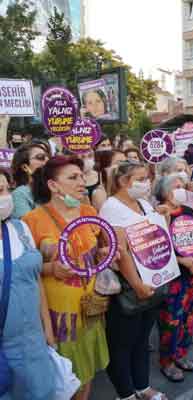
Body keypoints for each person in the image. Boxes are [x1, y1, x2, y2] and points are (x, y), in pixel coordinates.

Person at [23, 156, 110, 400]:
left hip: (92, 310)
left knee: (87, 373)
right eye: (73, 177)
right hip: (58, 319)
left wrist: (103, 253)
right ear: (53, 185)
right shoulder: (31, 221)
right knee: (64, 381)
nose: (82, 182)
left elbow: (103, 246)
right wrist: (52, 269)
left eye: (82, 176)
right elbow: (22, 270)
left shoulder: (89, 211)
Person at [99, 161, 168, 400]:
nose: (146, 183)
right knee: (122, 343)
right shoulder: (112, 207)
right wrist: (137, 285)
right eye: (140, 179)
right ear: (122, 181)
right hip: (130, 285)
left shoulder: (145, 203)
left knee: (142, 339)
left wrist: (164, 217)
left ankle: (142, 386)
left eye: (147, 178)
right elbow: (121, 251)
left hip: (151, 279)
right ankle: (126, 393)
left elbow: (158, 238)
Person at [0, 169, 57, 400]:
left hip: (34, 341)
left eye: (4, 189)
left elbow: (35, 281)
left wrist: (48, 330)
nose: (4, 196)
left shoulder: (20, 229)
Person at [152, 175, 193, 382]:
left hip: (192, 275)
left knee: (189, 318)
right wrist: (180, 259)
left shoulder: (189, 211)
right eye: (175, 187)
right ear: (164, 192)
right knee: (171, 320)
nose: (181, 189)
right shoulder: (157, 214)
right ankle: (167, 361)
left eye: (182, 186)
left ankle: (181, 354)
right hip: (172, 278)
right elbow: (155, 247)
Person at [11, 143, 50, 218]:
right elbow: (30, 226)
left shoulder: (53, 190)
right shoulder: (19, 194)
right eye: (40, 157)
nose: (47, 160)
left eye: (48, 157)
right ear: (25, 167)